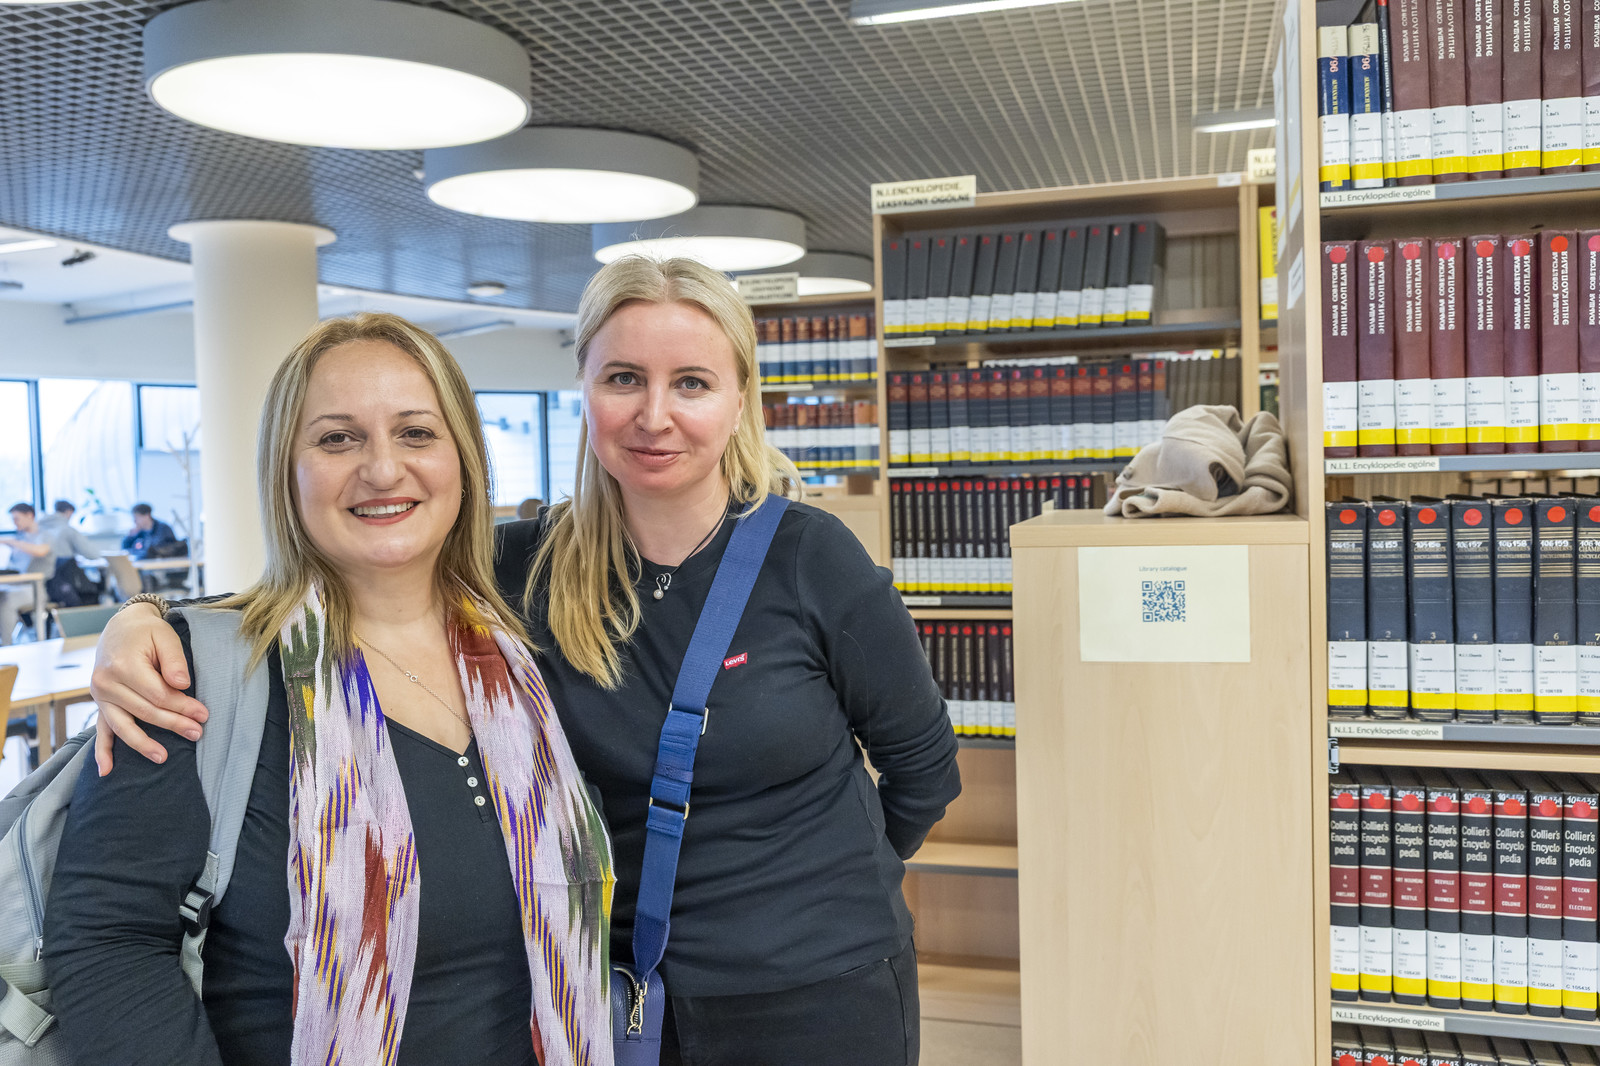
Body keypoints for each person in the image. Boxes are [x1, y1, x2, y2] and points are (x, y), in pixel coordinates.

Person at [92, 257, 960, 1066]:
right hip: (619, 990)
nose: (655, 414)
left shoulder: (813, 560)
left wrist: (822, 884)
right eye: (624, 379)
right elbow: (351, 571)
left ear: (739, 400)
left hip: (818, 985)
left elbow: (922, 769)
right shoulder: (519, 569)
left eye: (692, 382)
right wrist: (142, 620)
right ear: (585, 388)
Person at [47, 313, 614, 1066]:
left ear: (465, 458)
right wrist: (145, 615)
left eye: (416, 433)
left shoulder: (529, 649)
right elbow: (106, 945)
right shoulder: (192, 676)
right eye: (338, 439)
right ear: (286, 469)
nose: (382, 469)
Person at [0, 502, 57, 643]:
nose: (15, 523)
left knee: (5, 600)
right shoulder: (21, 537)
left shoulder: (44, 535)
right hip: (16, 585)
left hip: (36, 588)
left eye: (17, 519)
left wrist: (12, 542)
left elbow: (40, 551)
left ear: (30, 515)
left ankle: (6, 645)